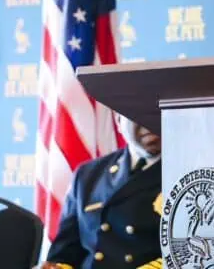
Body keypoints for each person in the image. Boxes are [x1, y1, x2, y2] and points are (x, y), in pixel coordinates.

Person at [36, 115, 163, 269]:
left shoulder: (190, 172)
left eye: (153, 113)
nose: (148, 122)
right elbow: (65, 252)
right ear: (118, 121)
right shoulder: (89, 174)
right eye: (135, 114)